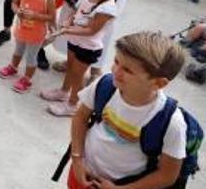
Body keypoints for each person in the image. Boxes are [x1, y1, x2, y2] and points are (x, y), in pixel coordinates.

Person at [65, 32, 187, 189]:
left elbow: (167, 175)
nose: (116, 71)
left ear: (159, 83)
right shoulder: (106, 85)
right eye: (116, 61)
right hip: (84, 170)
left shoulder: (171, 122)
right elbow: (81, 117)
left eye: (128, 70)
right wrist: (77, 159)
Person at [42, 0, 125, 116]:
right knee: (70, 70)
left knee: (78, 76)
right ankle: (63, 92)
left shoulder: (106, 9)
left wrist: (67, 29)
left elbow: (91, 30)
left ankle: (73, 105)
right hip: (74, 41)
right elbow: (76, 10)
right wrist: (68, 21)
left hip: (88, 47)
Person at [0, 0, 60, 94]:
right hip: (21, 29)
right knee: (18, 51)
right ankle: (13, 67)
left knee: (31, 57)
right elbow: (14, 3)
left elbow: (51, 17)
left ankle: (27, 79)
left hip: (36, 34)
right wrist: (17, 11)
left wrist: (35, 16)